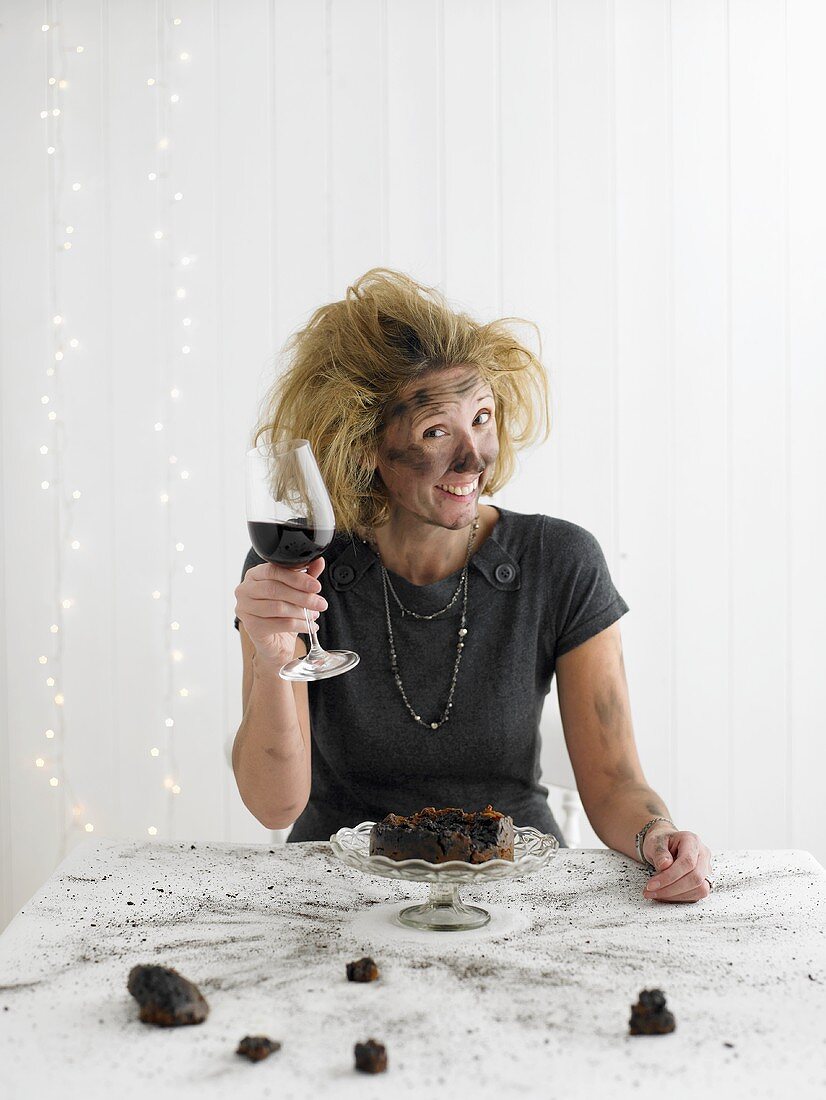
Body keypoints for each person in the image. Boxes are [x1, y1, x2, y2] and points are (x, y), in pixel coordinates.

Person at [232, 268, 713, 904]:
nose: (474, 458)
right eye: (437, 431)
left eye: (481, 418)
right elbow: (274, 807)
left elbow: (617, 780)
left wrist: (658, 834)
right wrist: (273, 663)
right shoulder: (299, 573)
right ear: (364, 444)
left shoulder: (560, 560)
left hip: (519, 889)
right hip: (338, 895)